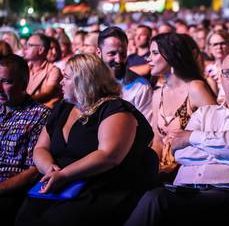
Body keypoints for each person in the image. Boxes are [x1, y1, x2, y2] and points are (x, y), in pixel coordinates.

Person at [125, 50, 229, 226]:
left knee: (156, 200)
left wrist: (192, 137)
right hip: (182, 190)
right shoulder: (204, 112)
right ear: (222, 77)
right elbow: (180, 153)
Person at [15, 54, 157, 226]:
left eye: (66, 77)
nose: (60, 82)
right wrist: (49, 169)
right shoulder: (63, 108)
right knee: (24, 216)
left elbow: (108, 156)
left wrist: (64, 174)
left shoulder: (115, 109)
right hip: (59, 183)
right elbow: (40, 148)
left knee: (58, 220)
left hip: (99, 186)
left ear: (84, 81)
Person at [148, 33, 216, 181]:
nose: (149, 59)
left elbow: (217, 134)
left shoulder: (196, 88)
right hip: (164, 171)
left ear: (171, 56)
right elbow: (157, 142)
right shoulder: (157, 95)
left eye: (154, 53)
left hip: (192, 170)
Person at [0, 54, 51, 225]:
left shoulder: (39, 114)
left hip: (11, 193)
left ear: (23, 84)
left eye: (6, 82)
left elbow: (33, 171)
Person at [97, 26, 153, 121]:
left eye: (123, 54)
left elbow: (148, 130)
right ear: (99, 52)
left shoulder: (141, 87)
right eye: (112, 54)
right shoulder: (88, 82)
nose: (118, 60)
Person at [24, 33, 62, 109]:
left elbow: (47, 94)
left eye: (30, 45)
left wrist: (22, 101)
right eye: (26, 44)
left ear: (41, 50)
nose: (25, 48)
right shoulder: (24, 68)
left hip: (41, 113)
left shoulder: (53, 71)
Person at [204, 29, 229, 104]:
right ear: (209, 48)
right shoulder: (206, 70)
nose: (219, 47)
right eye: (215, 44)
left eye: (222, 43)